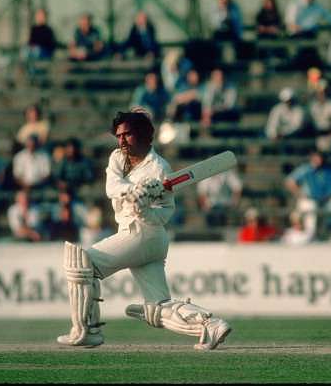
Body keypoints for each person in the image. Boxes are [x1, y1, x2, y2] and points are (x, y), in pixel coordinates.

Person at [56, 108, 232, 349]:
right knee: (157, 306)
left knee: (81, 263)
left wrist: (144, 210)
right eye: (118, 135)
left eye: (127, 135)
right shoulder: (117, 157)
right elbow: (112, 187)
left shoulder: (160, 168)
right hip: (139, 238)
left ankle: (86, 330)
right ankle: (210, 325)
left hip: (143, 232)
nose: (121, 141)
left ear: (142, 134)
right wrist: (134, 192)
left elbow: (166, 211)